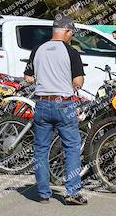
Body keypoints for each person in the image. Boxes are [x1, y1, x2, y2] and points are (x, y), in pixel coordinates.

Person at [24, 14, 87, 205]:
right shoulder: (71, 52)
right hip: (64, 104)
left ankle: (43, 193)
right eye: (71, 33)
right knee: (72, 148)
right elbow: (78, 82)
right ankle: (72, 192)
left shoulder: (38, 50)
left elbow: (28, 77)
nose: (71, 36)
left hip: (42, 103)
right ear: (67, 32)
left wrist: (42, 78)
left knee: (41, 149)